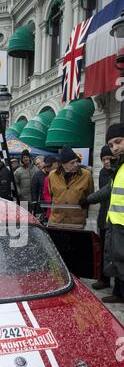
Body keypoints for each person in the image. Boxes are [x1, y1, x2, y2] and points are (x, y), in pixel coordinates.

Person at [82, 124, 124, 304]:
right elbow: (108, 190)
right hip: (115, 223)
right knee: (117, 260)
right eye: (111, 144)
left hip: (121, 224)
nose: (115, 147)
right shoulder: (120, 167)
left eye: (118, 142)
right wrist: (88, 199)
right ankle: (119, 293)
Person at [48, 145, 94, 227]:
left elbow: (90, 195)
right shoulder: (52, 175)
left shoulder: (86, 175)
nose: (76, 164)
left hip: (76, 222)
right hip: (56, 221)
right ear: (63, 164)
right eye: (72, 163)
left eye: (76, 161)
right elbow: (51, 194)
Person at [89, 146, 114, 290]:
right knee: (103, 249)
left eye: (108, 158)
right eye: (103, 159)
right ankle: (103, 279)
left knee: (114, 252)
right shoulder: (103, 173)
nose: (106, 161)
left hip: (116, 219)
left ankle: (118, 286)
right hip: (103, 216)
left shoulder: (118, 172)